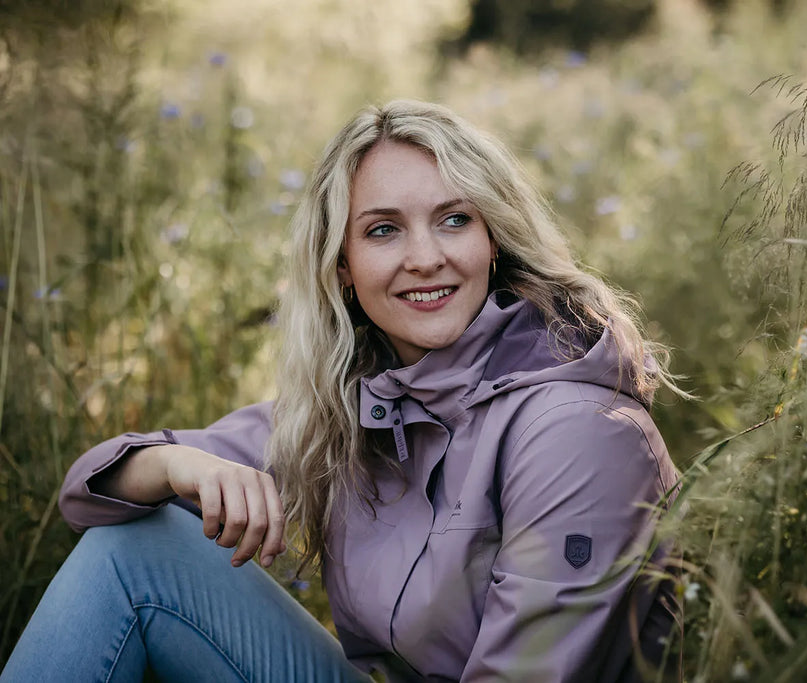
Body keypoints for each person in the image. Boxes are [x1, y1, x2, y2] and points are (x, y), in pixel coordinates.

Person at [2, 100, 682, 682]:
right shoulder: (362, 401)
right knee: (132, 554)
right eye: (384, 230)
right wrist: (175, 464)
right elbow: (85, 495)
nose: (426, 257)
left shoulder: (575, 429)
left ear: (493, 239)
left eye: (454, 219)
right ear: (344, 268)